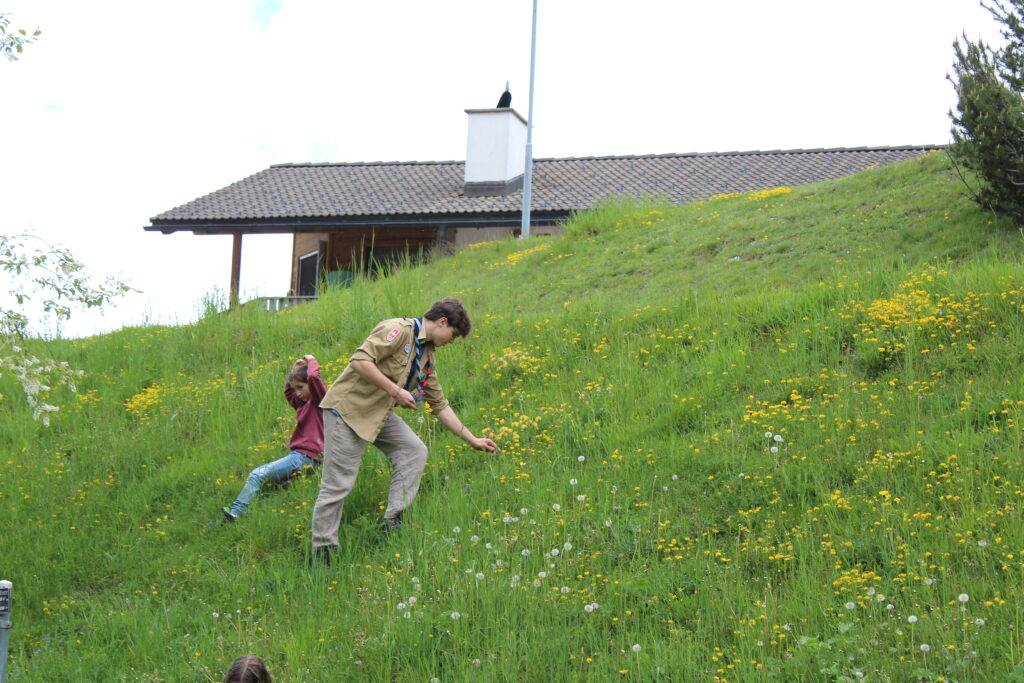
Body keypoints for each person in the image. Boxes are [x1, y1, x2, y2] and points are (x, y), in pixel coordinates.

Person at [310, 298, 497, 564]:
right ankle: (323, 551)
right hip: (347, 411)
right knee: (339, 483)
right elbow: (360, 360)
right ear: (442, 322)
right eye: (453, 335)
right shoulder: (398, 330)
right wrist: (396, 391)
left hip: (378, 412)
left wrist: (473, 440)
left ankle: (393, 520)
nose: (451, 341)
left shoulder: (427, 357)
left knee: (414, 450)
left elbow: (440, 405)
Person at [223, 355, 327, 521]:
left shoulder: (320, 400)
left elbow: (314, 378)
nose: (298, 393)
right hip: (306, 458)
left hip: (303, 457)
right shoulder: (303, 404)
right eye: (296, 389)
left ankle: (236, 512)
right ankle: (245, 513)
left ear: (311, 384)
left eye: (301, 387)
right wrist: (294, 372)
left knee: (257, 475)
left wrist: (312, 360)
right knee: (280, 487)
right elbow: (289, 392)